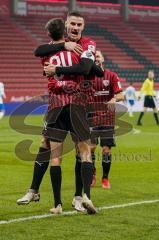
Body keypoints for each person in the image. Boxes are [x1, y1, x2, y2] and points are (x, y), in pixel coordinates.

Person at [17, 14, 102, 214]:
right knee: (47, 146)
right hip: (58, 104)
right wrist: (63, 46)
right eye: (72, 23)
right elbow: (39, 50)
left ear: (83, 26)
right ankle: (39, 193)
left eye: (79, 24)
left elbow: (87, 68)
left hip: (79, 103)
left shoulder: (87, 44)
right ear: (66, 25)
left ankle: (79, 197)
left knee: (81, 150)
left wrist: (57, 69)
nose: (75, 27)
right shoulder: (58, 46)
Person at [72, 50, 124, 200]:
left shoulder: (112, 76)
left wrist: (115, 99)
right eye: (94, 56)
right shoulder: (85, 77)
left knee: (106, 150)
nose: (96, 58)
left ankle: (105, 178)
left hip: (107, 119)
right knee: (92, 149)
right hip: (91, 119)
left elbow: (121, 94)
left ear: (103, 59)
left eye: (98, 55)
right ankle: (93, 172)